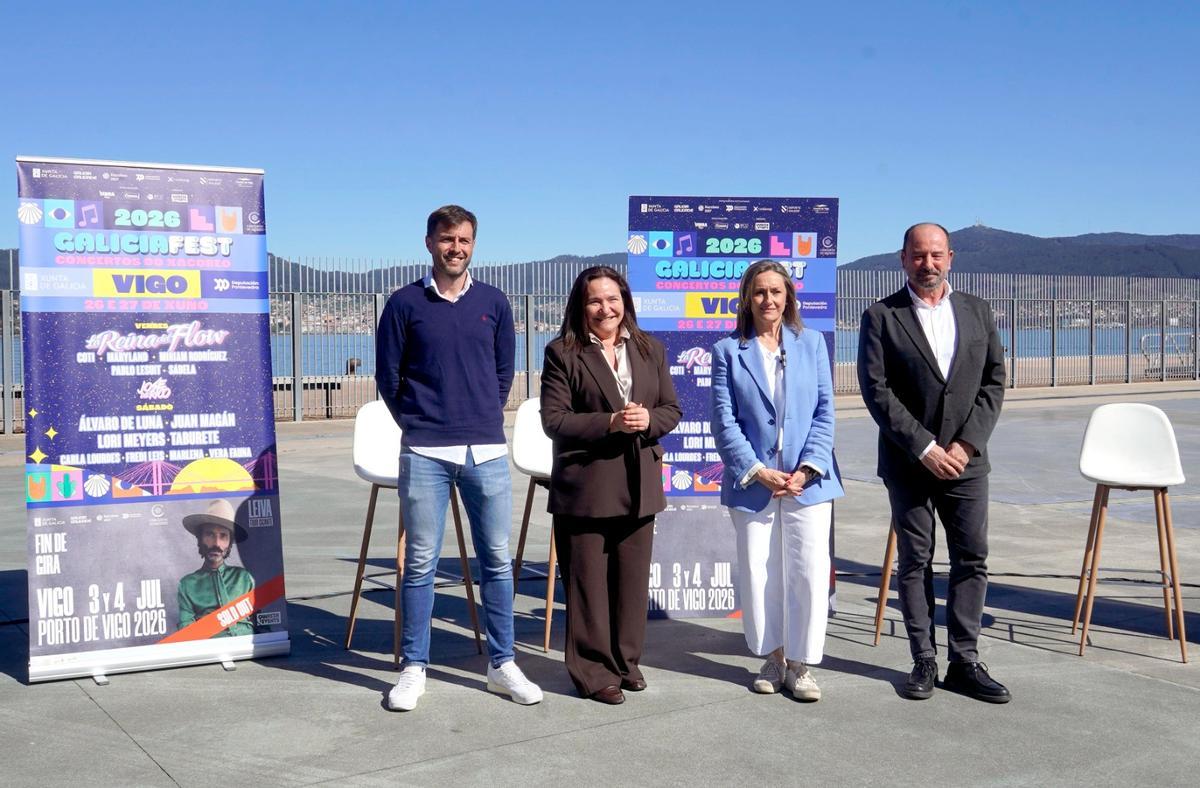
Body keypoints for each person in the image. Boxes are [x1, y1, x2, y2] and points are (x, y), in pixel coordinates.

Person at [375, 204, 542, 711]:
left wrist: (479, 414)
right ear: (429, 243)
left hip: (487, 449)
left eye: (464, 240)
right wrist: (422, 424)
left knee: (495, 559)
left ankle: (502, 663)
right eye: (447, 239)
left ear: (474, 245)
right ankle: (413, 668)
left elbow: (503, 371)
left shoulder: (494, 302)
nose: (456, 248)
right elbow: (388, 378)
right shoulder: (403, 304)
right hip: (424, 450)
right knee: (421, 562)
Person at [857, 222, 1010, 703]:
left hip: (967, 462)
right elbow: (876, 390)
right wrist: (924, 446)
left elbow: (994, 382)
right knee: (915, 560)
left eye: (936, 255)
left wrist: (965, 444)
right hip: (910, 463)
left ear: (951, 258)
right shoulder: (881, 316)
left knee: (971, 558)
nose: (928, 264)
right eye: (919, 255)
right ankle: (923, 658)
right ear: (903, 259)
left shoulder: (977, 311)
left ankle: (964, 660)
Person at [540, 266, 681, 704]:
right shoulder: (562, 352)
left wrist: (648, 420)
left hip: (640, 483)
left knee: (630, 584)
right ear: (581, 306)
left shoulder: (649, 348)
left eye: (613, 299)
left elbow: (671, 409)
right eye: (595, 301)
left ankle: (626, 663)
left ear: (626, 301)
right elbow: (554, 420)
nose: (606, 308)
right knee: (588, 585)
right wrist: (612, 422)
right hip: (587, 487)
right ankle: (593, 671)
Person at [710, 259, 844, 701]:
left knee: (807, 571)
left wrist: (807, 468)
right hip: (754, 483)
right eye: (759, 292)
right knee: (759, 571)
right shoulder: (727, 351)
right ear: (747, 298)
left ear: (789, 297)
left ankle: (802, 664)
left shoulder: (813, 344)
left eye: (776, 292)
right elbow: (724, 422)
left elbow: (825, 412)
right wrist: (760, 472)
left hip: (809, 481)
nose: (768, 300)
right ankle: (773, 656)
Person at [177, 498, 255, 637]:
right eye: (210, 534)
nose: (216, 543)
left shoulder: (244, 578)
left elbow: (264, 621)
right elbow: (186, 632)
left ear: (230, 542)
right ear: (200, 538)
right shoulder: (187, 585)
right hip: (209, 649)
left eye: (223, 536)